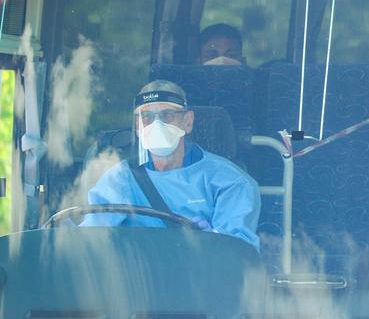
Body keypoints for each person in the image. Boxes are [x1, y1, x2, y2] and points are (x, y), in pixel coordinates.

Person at [82, 80, 261, 251]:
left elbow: (237, 255)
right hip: (135, 278)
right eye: (147, 117)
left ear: (188, 121)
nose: (156, 124)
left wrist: (211, 242)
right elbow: (91, 240)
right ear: (138, 126)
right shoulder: (119, 179)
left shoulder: (230, 181)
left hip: (197, 278)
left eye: (167, 115)